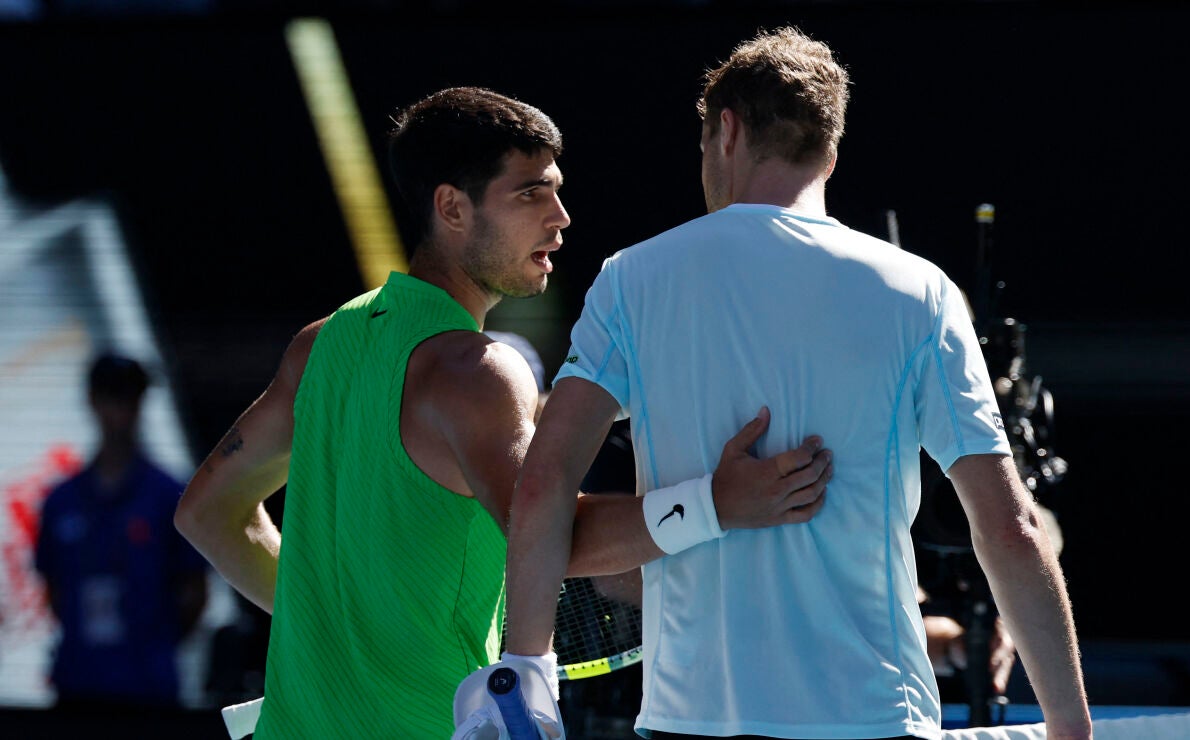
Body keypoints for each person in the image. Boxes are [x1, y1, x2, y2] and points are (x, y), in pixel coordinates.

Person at [174, 86, 832, 738]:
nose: (561, 215)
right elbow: (552, 534)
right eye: (530, 193)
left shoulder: (321, 345)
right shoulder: (479, 372)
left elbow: (207, 512)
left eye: (556, 189)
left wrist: (322, 625)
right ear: (452, 208)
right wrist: (718, 503)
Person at [501, 26, 1092, 740]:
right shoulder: (921, 291)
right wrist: (1069, 726)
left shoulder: (632, 279)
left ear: (726, 130)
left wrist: (525, 676)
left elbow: (542, 486)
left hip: (692, 720)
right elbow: (1009, 528)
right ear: (830, 154)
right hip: (875, 717)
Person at [35, 351, 208, 711]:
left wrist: (153, 643)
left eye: (131, 396)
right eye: (113, 395)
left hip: (149, 690)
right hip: (79, 685)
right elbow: (53, 593)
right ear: (93, 400)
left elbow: (194, 592)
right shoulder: (61, 501)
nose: (122, 410)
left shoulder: (168, 496)